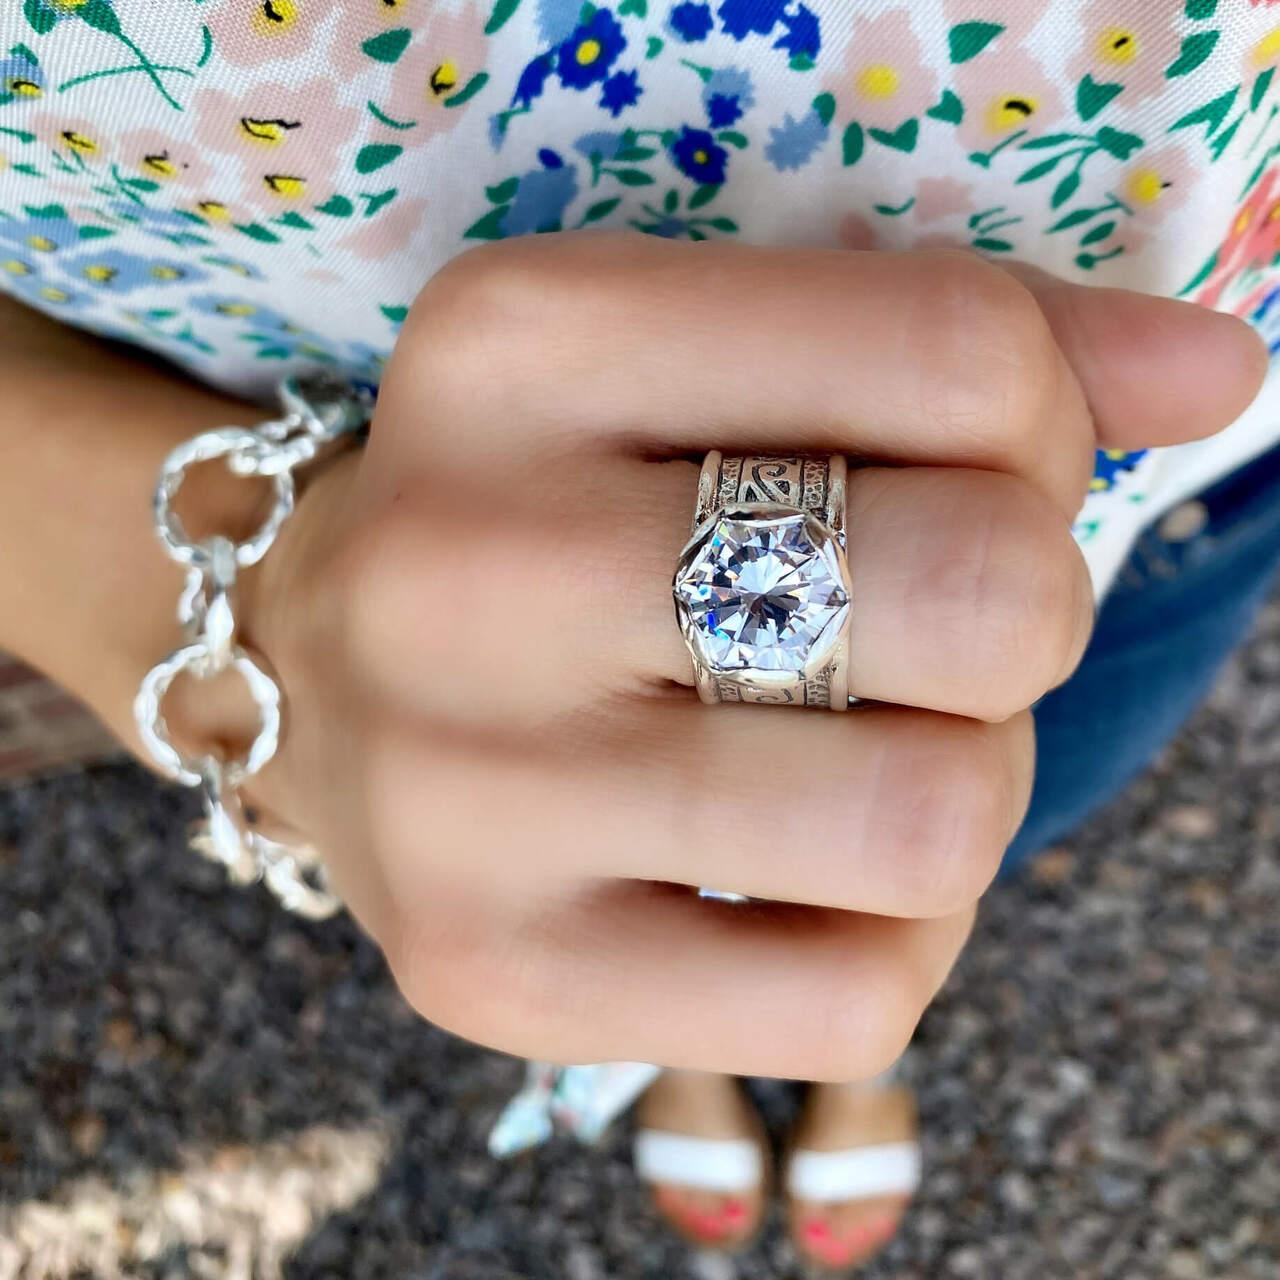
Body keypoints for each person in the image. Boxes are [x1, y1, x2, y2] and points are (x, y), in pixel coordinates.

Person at [0, 1, 1276, 1271]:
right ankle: (702, 1019)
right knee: (793, 856)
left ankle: (784, 1010)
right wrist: (267, 600)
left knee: (944, 835)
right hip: (429, 620)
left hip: (1135, 512)